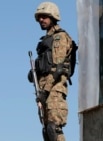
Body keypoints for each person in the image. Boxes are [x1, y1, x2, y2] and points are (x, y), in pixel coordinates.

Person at [28, 1, 74, 141]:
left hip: (54, 89)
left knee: (53, 129)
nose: (41, 20)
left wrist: (45, 92)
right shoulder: (44, 41)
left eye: (44, 16)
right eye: (39, 17)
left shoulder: (59, 37)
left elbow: (57, 68)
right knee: (46, 132)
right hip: (43, 90)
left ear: (53, 16)